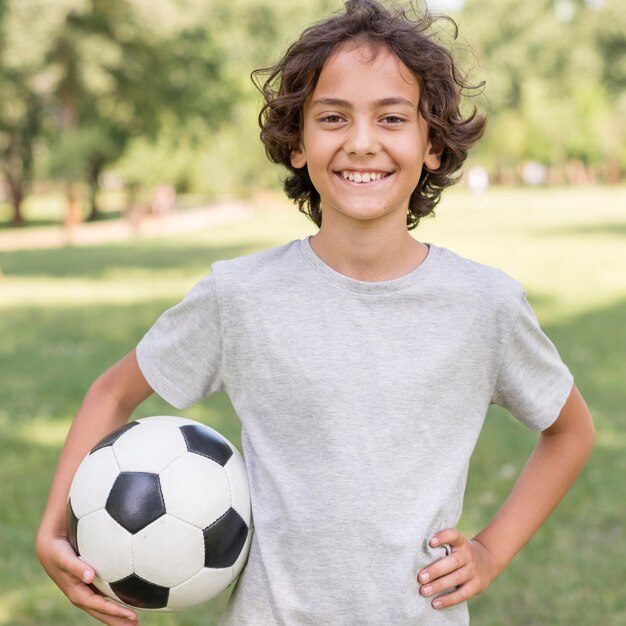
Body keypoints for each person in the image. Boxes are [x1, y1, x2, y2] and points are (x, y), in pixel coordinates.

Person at [36, 1, 595, 624]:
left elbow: (569, 430)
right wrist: (54, 528)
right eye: (333, 117)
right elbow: (111, 394)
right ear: (298, 143)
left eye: (391, 118)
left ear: (432, 144)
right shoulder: (238, 296)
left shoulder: (485, 306)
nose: (361, 142)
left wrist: (490, 551)